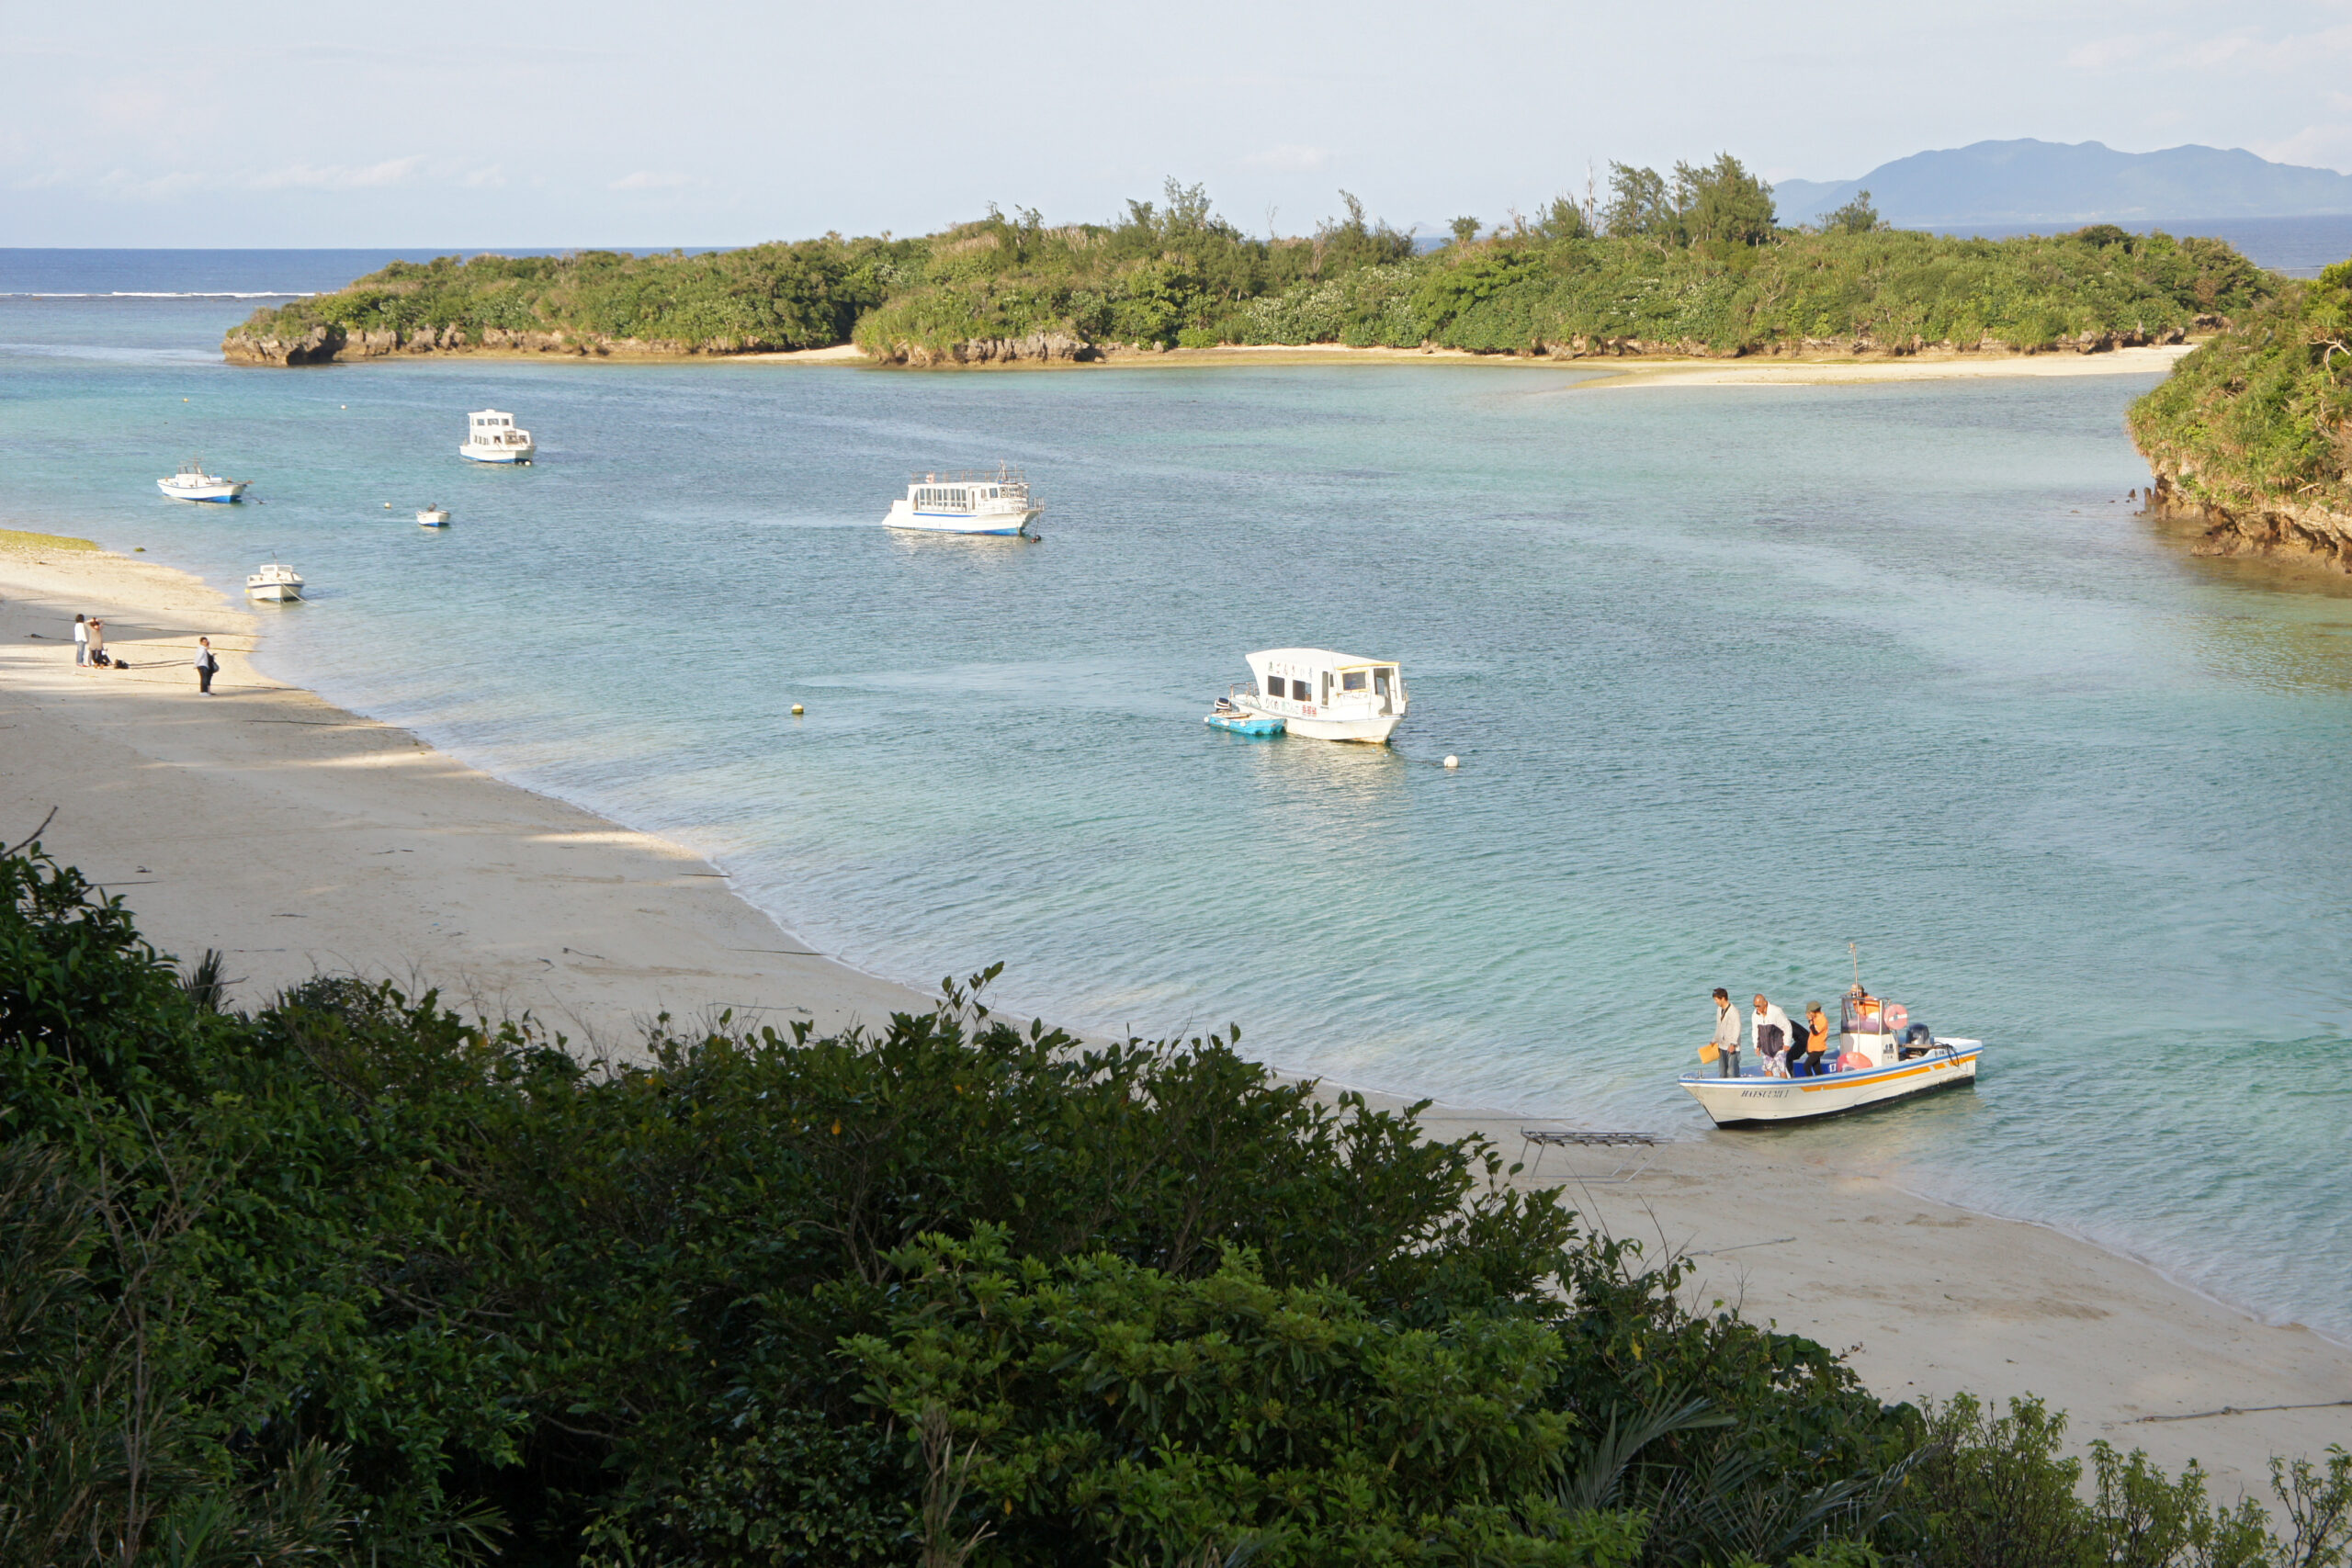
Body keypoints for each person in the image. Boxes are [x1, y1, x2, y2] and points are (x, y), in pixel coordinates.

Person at [1751, 994, 1792, 1074]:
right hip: (1766, 1048)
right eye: (1755, 1006)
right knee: (1767, 1068)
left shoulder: (1776, 1011)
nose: (1757, 1008)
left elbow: (1787, 1026)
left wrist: (1787, 1043)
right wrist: (1757, 1045)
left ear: (1765, 1003)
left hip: (1779, 1046)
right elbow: (1755, 1031)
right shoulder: (1755, 1015)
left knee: (1782, 1069)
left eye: (1759, 1006)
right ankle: (1770, 1086)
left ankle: (1784, 1086)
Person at [1707, 987, 1742, 1077]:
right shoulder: (1719, 1010)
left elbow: (1737, 1028)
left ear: (1723, 998)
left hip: (1731, 1047)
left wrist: (1733, 1044)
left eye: (1716, 999)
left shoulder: (1733, 1011)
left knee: (1732, 1073)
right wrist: (1714, 1040)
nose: (1715, 1002)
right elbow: (1719, 1026)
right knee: (1722, 1073)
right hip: (1722, 1045)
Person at [1797, 1000, 1831, 1076]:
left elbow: (1815, 1031)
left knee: (1806, 1066)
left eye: (1809, 1013)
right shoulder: (1815, 1019)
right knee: (1816, 1068)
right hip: (1813, 1048)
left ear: (1813, 1012)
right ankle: (1821, 1082)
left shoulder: (1822, 1020)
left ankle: (1811, 1082)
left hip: (1818, 1049)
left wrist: (1810, 1020)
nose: (1808, 1014)